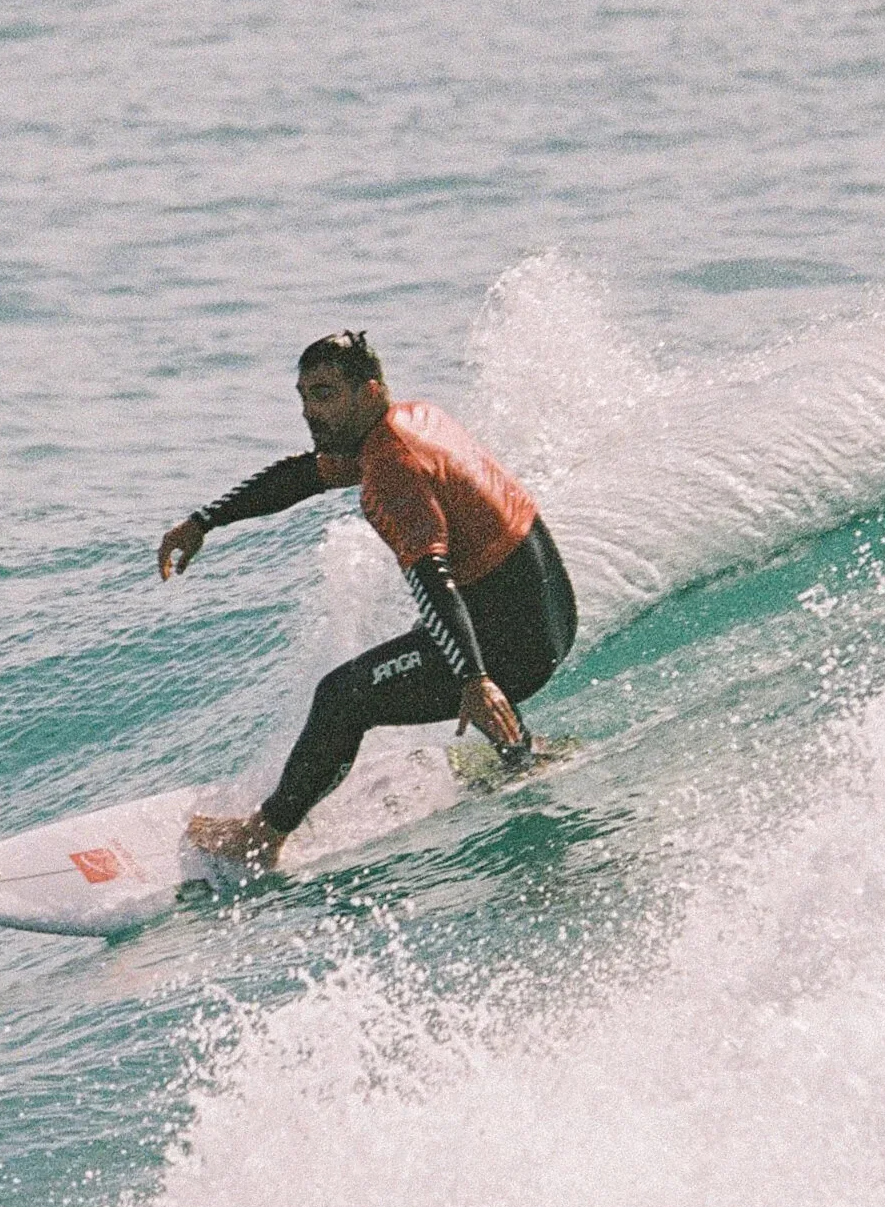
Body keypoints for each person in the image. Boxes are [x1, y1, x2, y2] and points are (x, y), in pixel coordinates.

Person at [158, 330, 578, 868]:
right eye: (304, 396)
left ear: (369, 391)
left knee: (342, 697)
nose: (311, 411)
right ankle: (522, 756)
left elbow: (432, 578)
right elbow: (301, 478)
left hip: (518, 642)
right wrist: (205, 521)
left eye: (327, 394)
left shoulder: (391, 468)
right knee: (444, 633)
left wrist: (475, 681)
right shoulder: (412, 419)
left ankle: (262, 837)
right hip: (549, 611)